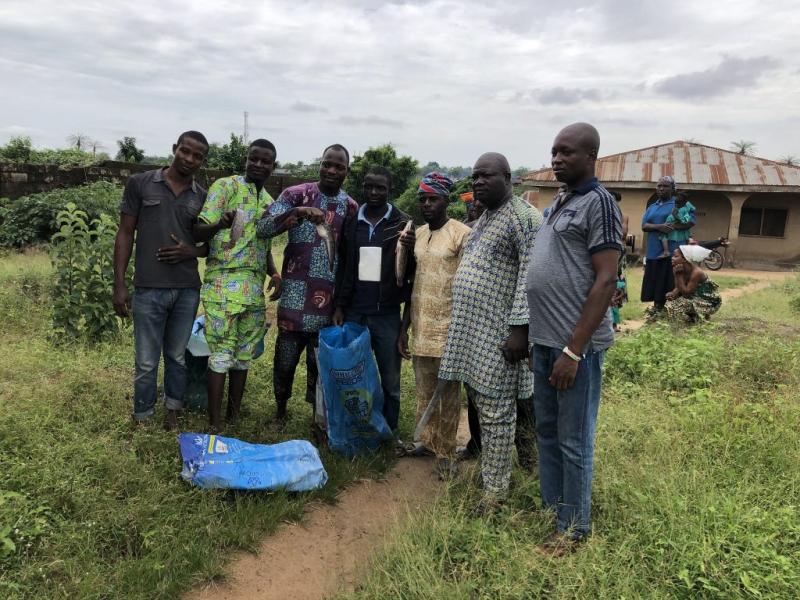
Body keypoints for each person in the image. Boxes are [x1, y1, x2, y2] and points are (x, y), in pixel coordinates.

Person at [527, 123, 622, 555]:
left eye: (567, 152)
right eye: (553, 151)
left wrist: (573, 349)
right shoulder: (560, 201)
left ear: (591, 156)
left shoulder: (600, 204)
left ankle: (573, 529)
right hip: (545, 342)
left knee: (573, 439)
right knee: (546, 431)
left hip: (573, 349)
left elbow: (605, 280)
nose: (557, 159)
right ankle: (553, 510)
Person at [438, 152, 542, 515]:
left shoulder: (524, 218)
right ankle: (506, 472)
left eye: (486, 175)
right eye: (474, 177)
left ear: (508, 177)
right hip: (475, 334)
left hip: (502, 337)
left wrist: (519, 329)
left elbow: (531, 277)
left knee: (498, 413)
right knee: (488, 408)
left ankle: (494, 495)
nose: (478, 182)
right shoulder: (486, 217)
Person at [113, 131, 210, 430]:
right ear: (174, 149)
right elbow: (126, 233)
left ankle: (173, 412)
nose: (190, 159)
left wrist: (188, 251)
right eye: (185, 151)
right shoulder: (141, 183)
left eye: (197, 156)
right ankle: (143, 416)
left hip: (186, 290)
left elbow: (208, 247)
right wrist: (119, 283)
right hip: (148, 288)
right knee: (145, 360)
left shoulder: (203, 196)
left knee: (177, 356)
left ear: (203, 161)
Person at [255, 144, 358, 426]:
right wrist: (297, 212)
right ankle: (280, 411)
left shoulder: (350, 207)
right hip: (293, 299)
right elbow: (262, 228)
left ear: (346, 172)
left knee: (319, 365)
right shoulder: (295, 194)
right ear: (320, 164)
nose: (332, 170)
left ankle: (318, 418)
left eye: (339, 166)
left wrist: (341, 304)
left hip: (326, 304)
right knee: (285, 360)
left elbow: (349, 259)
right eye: (327, 164)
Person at [192, 139, 282, 431]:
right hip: (223, 286)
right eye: (253, 159)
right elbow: (198, 229)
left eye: (265, 161)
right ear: (246, 159)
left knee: (244, 356)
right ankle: (216, 423)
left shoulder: (270, 203)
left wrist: (274, 273)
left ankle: (234, 417)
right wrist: (221, 223)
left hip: (253, 292)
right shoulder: (225, 187)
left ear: (273, 166)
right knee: (221, 355)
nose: (258, 165)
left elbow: (263, 245)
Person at [396, 172, 471, 477]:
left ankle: (446, 452)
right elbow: (411, 282)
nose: (427, 204)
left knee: (449, 395)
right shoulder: (419, 234)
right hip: (420, 327)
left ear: (446, 200)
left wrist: (463, 330)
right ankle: (426, 442)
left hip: (449, 329)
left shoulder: (461, 234)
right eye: (423, 199)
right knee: (424, 391)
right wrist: (404, 328)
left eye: (433, 198)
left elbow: (468, 285)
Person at [333, 166, 415, 433]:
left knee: (390, 380)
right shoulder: (352, 220)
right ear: (363, 187)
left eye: (380, 188)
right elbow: (344, 265)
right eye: (369, 186)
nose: (374, 192)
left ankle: (389, 430)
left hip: (387, 314)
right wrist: (340, 305)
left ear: (390, 190)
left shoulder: (403, 224)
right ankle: (360, 427)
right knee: (354, 374)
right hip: (356, 312)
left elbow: (411, 271)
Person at [641, 176, 695, 317]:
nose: (661, 188)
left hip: (674, 252)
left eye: (665, 186)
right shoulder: (652, 207)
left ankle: (674, 313)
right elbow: (644, 226)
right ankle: (657, 310)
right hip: (654, 252)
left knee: (673, 281)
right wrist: (660, 227)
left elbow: (690, 223)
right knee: (657, 282)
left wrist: (672, 227)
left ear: (673, 189)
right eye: (659, 186)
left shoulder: (680, 204)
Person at [662, 245, 722, 323]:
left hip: (710, 301)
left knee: (678, 305)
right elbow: (678, 287)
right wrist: (673, 293)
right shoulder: (677, 268)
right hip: (695, 297)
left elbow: (686, 294)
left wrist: (678, 275)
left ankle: (701, 315)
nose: (672, 258)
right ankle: (695, 316)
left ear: (684, 259)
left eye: (676, 256)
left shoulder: (696, 273)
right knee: (670, 303)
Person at [610, 191, 629, 332]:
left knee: (615, 284)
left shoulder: (621, 215)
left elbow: (622, 234)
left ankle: (613, 322)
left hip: (615, 251)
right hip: (612, 250)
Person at [657, 191, 695, 258]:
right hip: (675, 236)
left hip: (678, 237)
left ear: (684, 202)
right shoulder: (684, 207)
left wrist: (676, 216)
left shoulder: (685, 210)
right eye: (675, 204)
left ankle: (666, 251)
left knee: (663, 233)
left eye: (678, 204)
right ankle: (666, 251)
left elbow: (685, 221)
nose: (676, 205)